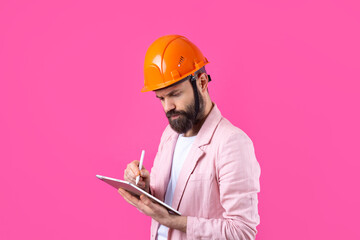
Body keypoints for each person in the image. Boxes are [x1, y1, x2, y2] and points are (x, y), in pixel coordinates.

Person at [118, 35, 261, 239]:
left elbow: (242, 231)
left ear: (202, 82)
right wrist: (145, 187)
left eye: (175, 94)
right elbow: (173, 200)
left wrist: (172, 221)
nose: (168, 107)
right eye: (161, 98)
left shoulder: (232, 143)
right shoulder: (170, 135)